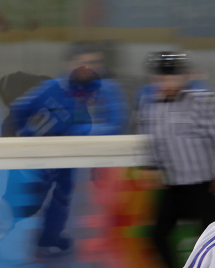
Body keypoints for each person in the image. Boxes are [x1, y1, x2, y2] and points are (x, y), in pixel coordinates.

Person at [10, 43, 127, 256]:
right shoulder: (52, 88)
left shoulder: (109, 89)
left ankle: (49, 237)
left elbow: (116, 124)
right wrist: (29, 139)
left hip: (84, 159)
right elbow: (20, 110)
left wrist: (78, 132)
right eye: (84, 64)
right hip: (47, 155)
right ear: (69, 65)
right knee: (29, 200)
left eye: (95, 63)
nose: (90, 69)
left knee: (63, 197)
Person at [137, 52, 215, 268]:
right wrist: (153, 167)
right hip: (174, 186)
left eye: (173, 77)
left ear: (184, 77)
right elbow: (153, 141)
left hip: (204, 185)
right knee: (157, 235)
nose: (168, 82)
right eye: (163, 78)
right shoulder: (151, 106)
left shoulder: (202, 102)